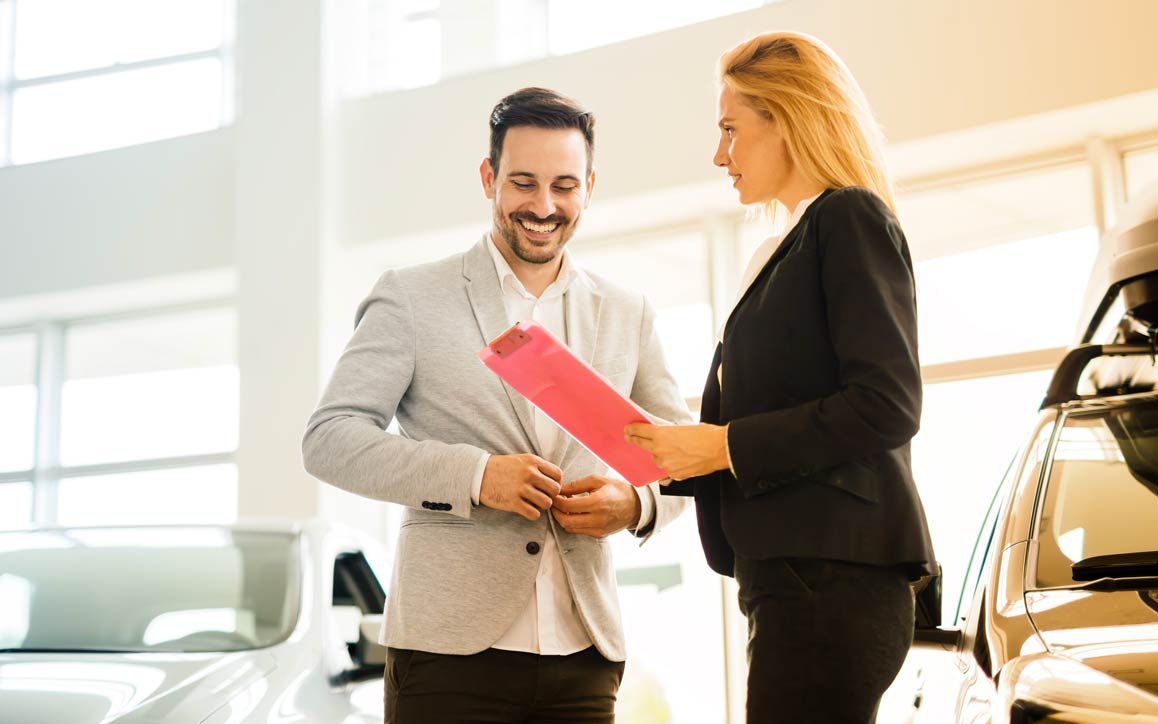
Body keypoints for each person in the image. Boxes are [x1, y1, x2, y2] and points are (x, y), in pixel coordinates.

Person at [303, 86, 691, 724]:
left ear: (589, 187)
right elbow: (331, 439)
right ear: (489, 179)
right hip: (447, 656)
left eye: (564, 185)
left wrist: (635, 504)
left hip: (584, 654)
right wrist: (477, 477)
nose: (543, 206)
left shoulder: (628, 314)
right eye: (523, 182)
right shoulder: (411, 297)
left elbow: (683, 458)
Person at [625, 32, 936, 724]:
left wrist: (723, 445)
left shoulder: (847, 218)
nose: (719, 155)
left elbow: (887, 403)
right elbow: (776, 426)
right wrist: (661, 466)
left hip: (832, 581)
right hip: (795, 580)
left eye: (731, 130)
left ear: (787, 120)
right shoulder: (781, 248)